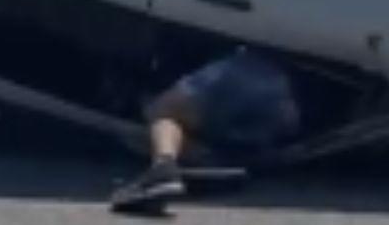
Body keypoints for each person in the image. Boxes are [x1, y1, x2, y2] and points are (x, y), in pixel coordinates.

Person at [111, 48, 300, 214]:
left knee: (159, 111)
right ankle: (211, 161)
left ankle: (163, 169)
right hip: (291, 103)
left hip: (254, 67)